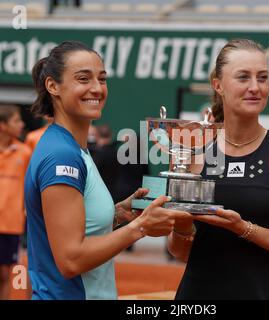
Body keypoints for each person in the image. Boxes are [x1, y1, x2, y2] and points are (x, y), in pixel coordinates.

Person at [24, 41, 191, 300]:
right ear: (53, 86)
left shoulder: (72, 147)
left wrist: (120, 214)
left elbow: (75, 226)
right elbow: (71, 260)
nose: (96, 88)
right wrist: (141, 227)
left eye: (102, 79)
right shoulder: (62, 155)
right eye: (83, 79)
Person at [167, 39, 269, 300]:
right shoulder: (191, 149)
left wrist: (243, 228)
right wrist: (181, 226)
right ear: (218, 85)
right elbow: (179, 251)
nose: (255, 87)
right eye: (243, 77)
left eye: (262, 78)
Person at [0, 105, 31, 300]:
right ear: (2, 125)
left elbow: (29, 186)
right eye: (16, 121)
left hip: (11, 223)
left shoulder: (25, 152)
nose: (21, 124)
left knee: (4, 274)